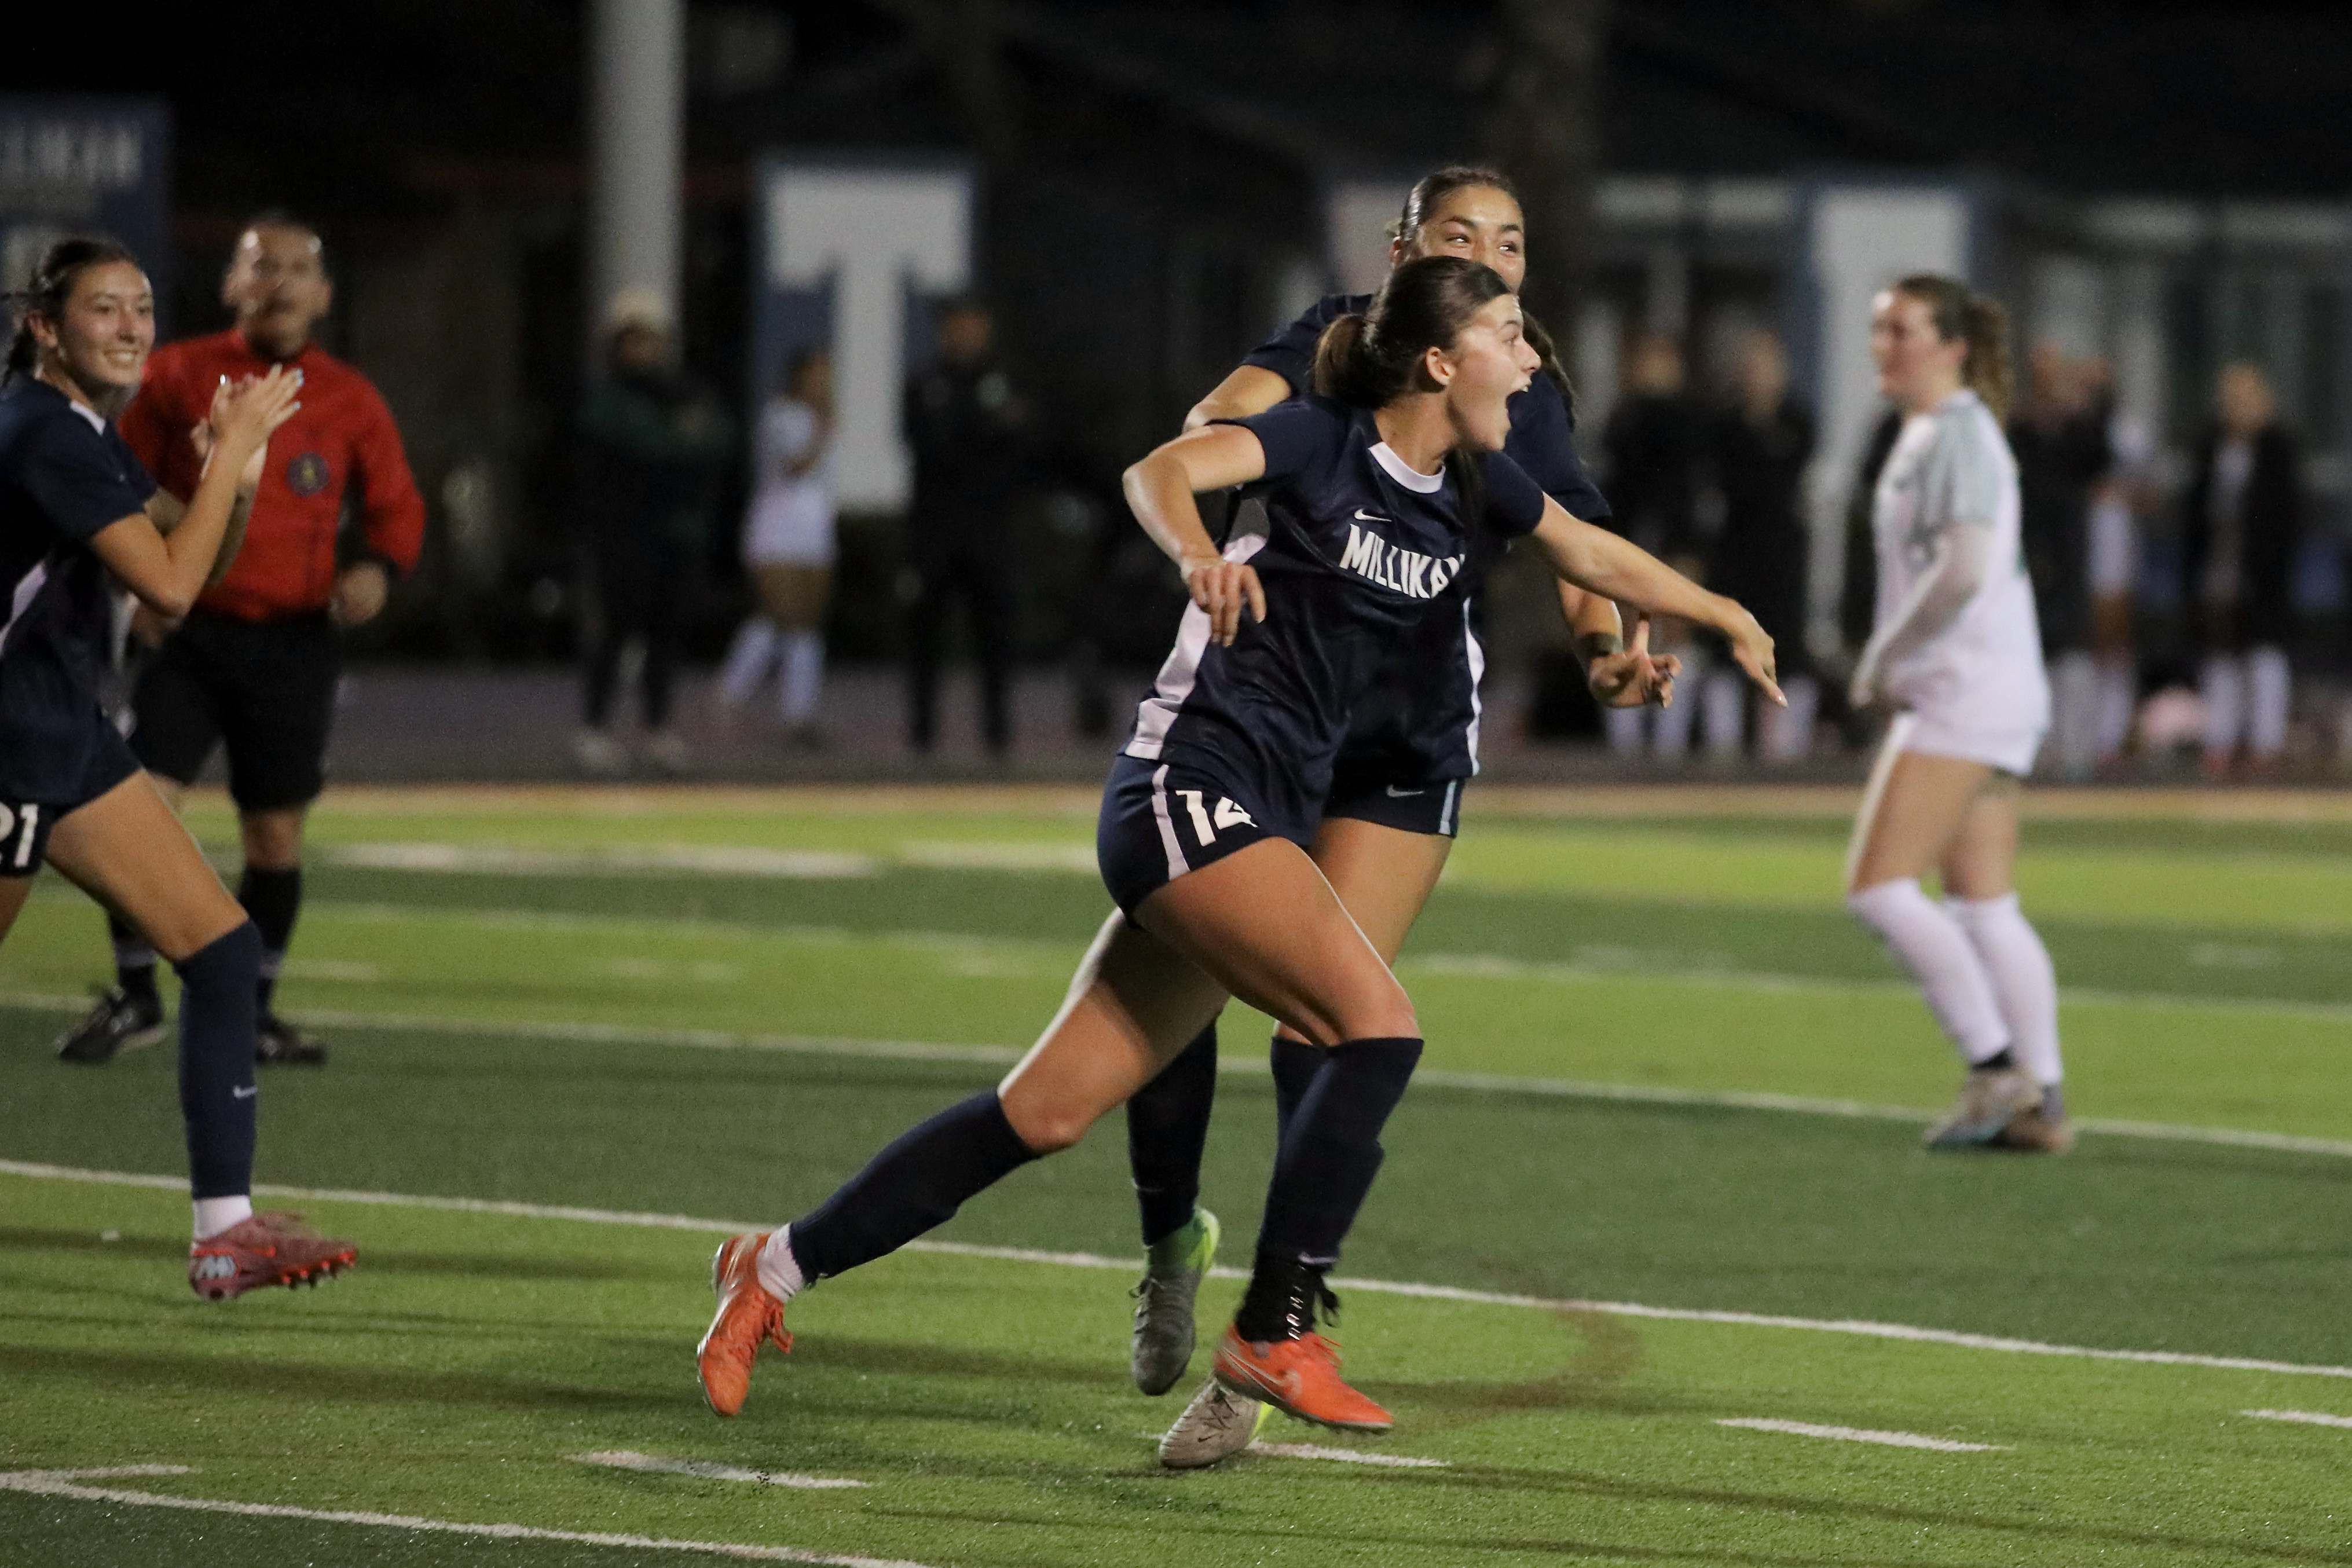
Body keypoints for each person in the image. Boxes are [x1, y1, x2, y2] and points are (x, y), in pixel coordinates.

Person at [691, 257, 1779, 1440]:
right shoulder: (1317, 442)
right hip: (1187, 786)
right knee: (1376, 1024)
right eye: (1511, 334)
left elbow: (1594, 555)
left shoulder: (1475, 481)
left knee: (1046, 1112)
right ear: (1435, 359)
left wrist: (1725, 616)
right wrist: (1193, 553)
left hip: (1257, 811)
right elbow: (1160, 469)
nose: (1531, 360)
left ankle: (775, 1270)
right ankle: (1272, 1329)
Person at [1126, 165, 1664, 1468]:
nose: (1494, 258)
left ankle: (1264, 1347)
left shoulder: (1516, 379)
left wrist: (1606, 657)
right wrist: (1301, 441)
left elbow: (1577, 542)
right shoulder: (1340, 348)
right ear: (1403, 250)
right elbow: (1206, 427)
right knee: (1175, 993)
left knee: (1336, 1026)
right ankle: (1166, 1237)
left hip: (1399, 746)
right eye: (1462, 236)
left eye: (1514, 241)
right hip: (1273, 706)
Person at [2, 236, 356, 1294]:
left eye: (143, 309)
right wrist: (238, 442)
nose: (130, 327)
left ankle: (224, 1229)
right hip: (11, 741)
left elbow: (185, 534)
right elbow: (170, 589)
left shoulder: (80, 429)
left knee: (221, 950)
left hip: (59, 731)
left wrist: (231, 479)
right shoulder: (40, 431)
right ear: (43, 328)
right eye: (104, 309)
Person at [54, 213, 426, 1069]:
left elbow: (398, 506)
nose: (280, 282)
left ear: (324, 293)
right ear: (231, 283)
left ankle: (253, 1011)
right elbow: (117, 484)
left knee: (275, 838)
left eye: (299, 268)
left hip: (293, 643)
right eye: (262, 266)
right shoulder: (180, 374)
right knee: (140, 811)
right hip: (190, 634)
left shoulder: (348, 396)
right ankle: (138, 993)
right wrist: (131, 587)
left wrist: (378, 568)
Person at [1845, 274, 2068, 1155]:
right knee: (1983, 907)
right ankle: (2038, 1103)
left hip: (1964, 689)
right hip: (1986, 687)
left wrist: (1882, 656)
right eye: (1878, 330)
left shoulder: (1961, 434)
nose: (1883, 346)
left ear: (1950, 347)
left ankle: (1994, 1066)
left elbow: (1967, 568)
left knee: (1878, 889)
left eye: (1901, 330)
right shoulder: (1933, 431)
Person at [574, 288, 734, 778]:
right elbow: (646, 447)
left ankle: (658, 727)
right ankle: (595, 728)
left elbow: (720, 440)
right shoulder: (605, 401)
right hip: (622, 535)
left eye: (649, 339)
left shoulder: (687, 393)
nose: (641, 351)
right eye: (632, 339)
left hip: (676, 535)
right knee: (616, 631)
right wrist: (674, 441)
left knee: (667, 634)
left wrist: (675, 443)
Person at [903, 297, 1027, 759]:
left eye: (976, 325)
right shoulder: (924, 381)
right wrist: (984, 428)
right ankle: (921, 739)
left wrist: (969, 431)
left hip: (991, 531)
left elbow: (1021, 445)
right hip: (936, 532)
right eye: (960, 325)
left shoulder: (1003, 377)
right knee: (925, 636)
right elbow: (929, 446)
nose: (969, 335)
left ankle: (998, 740)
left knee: (995, 637)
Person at [2181, 362, 2302, 778]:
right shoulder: (2212, 445)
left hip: (2262, 567)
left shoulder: (2278, 448)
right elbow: (2198, 509)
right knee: (2221, 650)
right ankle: (2220, 738)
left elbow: (2283, 516)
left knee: (2263, 652)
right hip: (2220, 560)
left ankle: (2265, 742)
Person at [1708, 329, 1817, 763]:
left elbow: (1781, 477)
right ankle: (1723, 751)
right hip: (1737, 552)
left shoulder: (1797, 420)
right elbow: (1732, 481)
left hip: (1782, 554)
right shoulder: (1727, 424)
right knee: (1726, 646)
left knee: (1786, 648)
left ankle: (1786, 753)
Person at [717, 345, 835, 745]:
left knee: (805, 623)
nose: (823, 382)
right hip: (775, 528)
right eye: (817, 373)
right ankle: (731, 690)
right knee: (778, 613)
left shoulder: (822, 418)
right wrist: (822, 430)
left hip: (814, 530)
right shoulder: (780, 416)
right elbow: (794, 466)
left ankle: (800, 716)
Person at [1600, 334, 1711, 759]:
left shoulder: (1688, 418)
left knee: (1678, 627)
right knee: (1629, 629)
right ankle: (1625, 740)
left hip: (1677, 535)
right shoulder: (1625, 416)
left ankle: (1671, 738)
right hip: (1631, 534)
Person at [2008, 342, 2112, 779]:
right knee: (2028, 648)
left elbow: (2099, 461)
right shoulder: (2021, 428)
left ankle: (2075, 748)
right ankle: (2033, 745)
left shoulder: (2076, 427)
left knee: (2073, 651)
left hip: (2069, 548)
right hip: (2028, 546)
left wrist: (2090, 404)